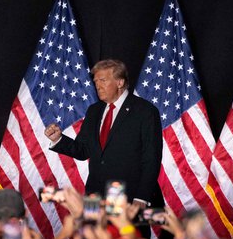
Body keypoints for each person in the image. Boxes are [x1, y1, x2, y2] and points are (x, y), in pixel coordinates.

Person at [45, 59, 163, 206]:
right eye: (95, 82)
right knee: (92, 230)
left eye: (103, 80)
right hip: (95, 196)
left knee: (125, 230)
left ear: (120, 82)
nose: (98, 86)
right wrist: (58, 139)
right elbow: (83, 150)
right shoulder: (94, 110)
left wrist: (141, 197)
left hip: (127, 198)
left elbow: (151, 159)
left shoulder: (145, 111)